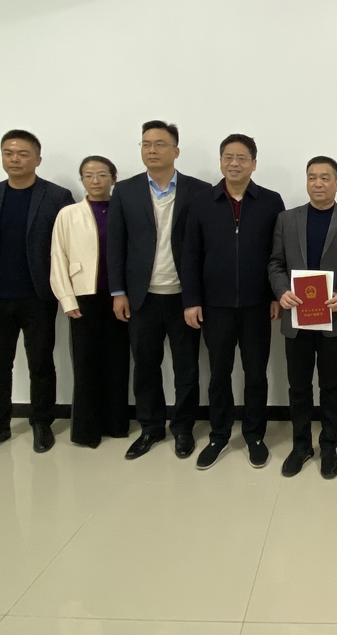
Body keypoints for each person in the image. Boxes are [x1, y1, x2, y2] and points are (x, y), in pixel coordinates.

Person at [0, 130, 74, 460]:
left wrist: (68, 291)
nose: (14, 159)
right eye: (8, 153)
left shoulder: (57, 196)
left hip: (38, 295)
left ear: (37, 159)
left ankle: (42, 423)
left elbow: (69, 246)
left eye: (23, 153)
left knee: (41, 363)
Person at [107, 121, 211, 460]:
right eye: (146, 144)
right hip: (142, 297)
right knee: (145, 366)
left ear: (176, 151)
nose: (151, 150)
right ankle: (150, 427)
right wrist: (118, 291)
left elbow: (206, 246)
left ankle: (183, 428)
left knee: (186, 368)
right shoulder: (125, 191)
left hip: (184, 297)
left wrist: (199, 295)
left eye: (160, 144)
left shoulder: (200, 191)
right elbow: (116, 245)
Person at [181, 134, 285, 470]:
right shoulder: (201, 201)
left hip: (258, 305)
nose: (234, 163)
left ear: (254, 163)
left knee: (255, 374)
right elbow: (190, 254)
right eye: (228, 156)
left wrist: (275, 295)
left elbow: (279, 254)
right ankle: (219, 435)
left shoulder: (271, 201)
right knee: (219, 374)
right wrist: (192, 300)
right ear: (220, 161)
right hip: (215, 306)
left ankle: (254, 435)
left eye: (242, 157)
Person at [268, 156, 337, 479]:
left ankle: (328, 447)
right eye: (312, 177)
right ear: (306, 182)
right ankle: (301, 446)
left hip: (332, 320)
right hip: (296, 318)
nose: (318, 183)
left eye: (325, 178)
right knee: (298, 387)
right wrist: (282, 291)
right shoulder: (287, 219)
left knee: (330, 386)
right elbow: (275, 264)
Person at [50, 155, 130, 448]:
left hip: (120, 297)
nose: (95, 181)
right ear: (82, 179)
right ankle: (86, 430)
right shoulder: (68, 214)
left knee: (118, 362)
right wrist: (66, 298)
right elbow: (58, 256)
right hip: (84, 296)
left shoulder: (124, 209)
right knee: (86, 364)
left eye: (102, 175)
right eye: (88, 175)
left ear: (113, 179)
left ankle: (116, 424)